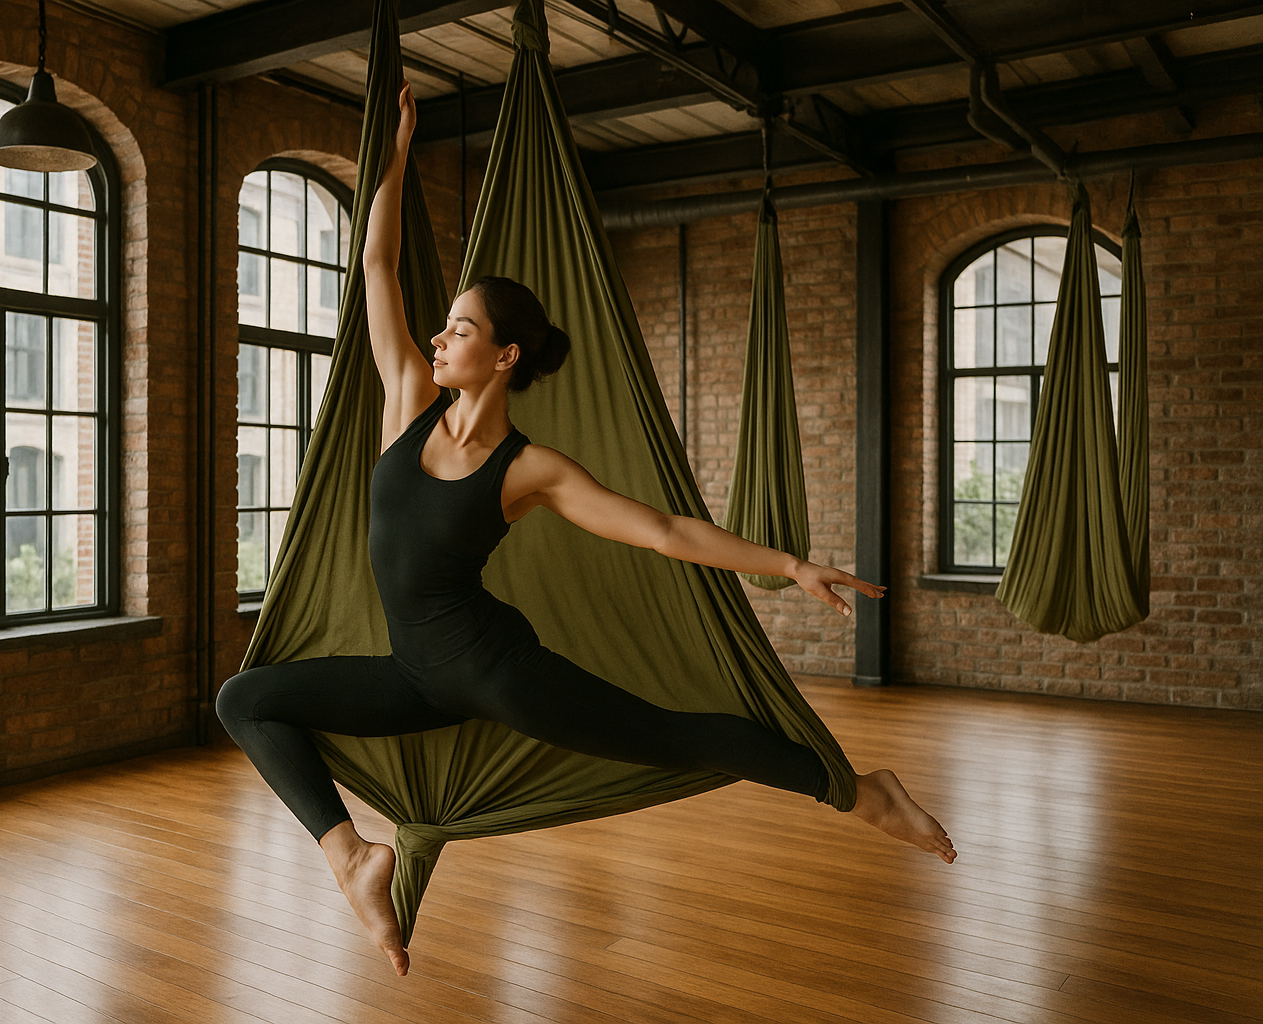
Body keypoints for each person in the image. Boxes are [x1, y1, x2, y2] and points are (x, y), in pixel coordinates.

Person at [217, 82, 953, 978]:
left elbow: (663, 531)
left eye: (459, 329)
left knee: (681, 735)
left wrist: (791, 562)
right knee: (245, 698)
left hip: (499, 672)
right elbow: (376, 263)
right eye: (441, 327)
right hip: (415, 675)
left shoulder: (529, 469)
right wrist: (399, 151)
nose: (439, 339)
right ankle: (354, 857)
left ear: (505, 354)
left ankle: (863, 794)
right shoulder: (406, 403)